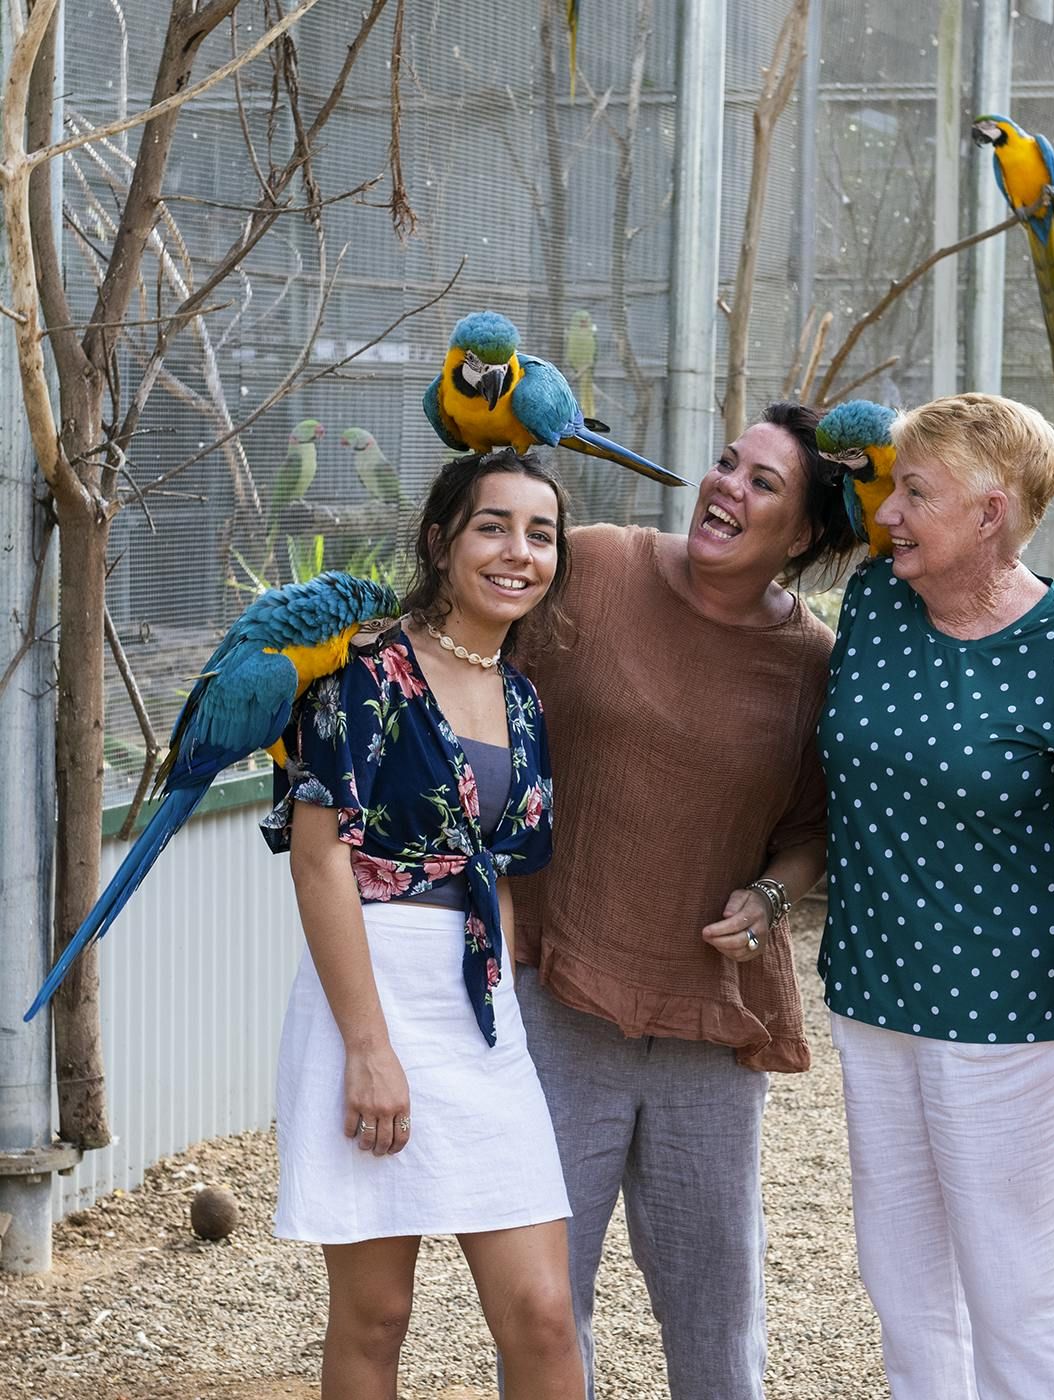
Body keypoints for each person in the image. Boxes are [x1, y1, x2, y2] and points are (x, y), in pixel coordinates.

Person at [507, 401, 861, 1400]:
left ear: (802, 536)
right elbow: (476, 672)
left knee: (715, 1322)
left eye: (763, 483)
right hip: (559, 993)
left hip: (710, 1016)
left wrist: (766, 892)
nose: (724, 487)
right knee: (539, 1310)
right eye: (724, 462)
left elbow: (810, 827)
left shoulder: (813, 665)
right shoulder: (599, 564)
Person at [818, 392, 1054, 1400]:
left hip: (1010, 1017)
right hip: (873, 1003)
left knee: (1019, 1295)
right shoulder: (879, 601)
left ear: (990, 512)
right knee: (904, 1286)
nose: (888, 513)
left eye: (915, 493)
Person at [261, 447, 584, 1398]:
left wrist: (506, 1012)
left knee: (543, 1312)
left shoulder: (524, 702)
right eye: (494, 526)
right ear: (440, 542)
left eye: (541, 533)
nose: (518, 552)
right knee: (376, 1314)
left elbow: (507, 870)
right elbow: (321, 859)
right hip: (372, 987)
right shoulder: (361, 673)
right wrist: (369, 1047)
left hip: (479, 1012)